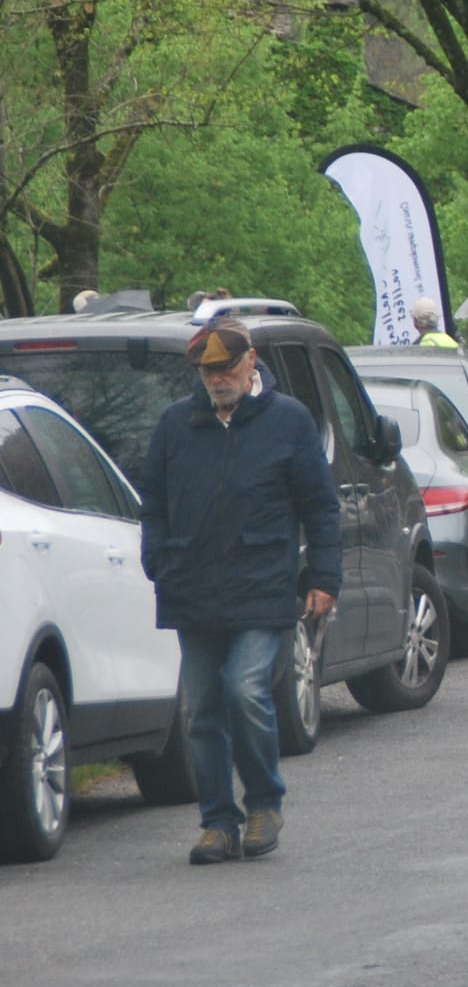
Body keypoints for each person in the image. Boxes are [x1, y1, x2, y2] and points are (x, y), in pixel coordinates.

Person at [138, 319, 341, 865]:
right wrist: (156, 557)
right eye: (208, 371)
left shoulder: (289, 422)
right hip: (192, 588)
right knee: (201, 708)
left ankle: (264, 804)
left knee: (244, 689)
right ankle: (217, 823)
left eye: (226, 368)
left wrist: (325, 576)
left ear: (251, 362)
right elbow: (152, 501)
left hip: (263, 587)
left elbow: (320, 506)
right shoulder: (176, 425)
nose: (217, 380)